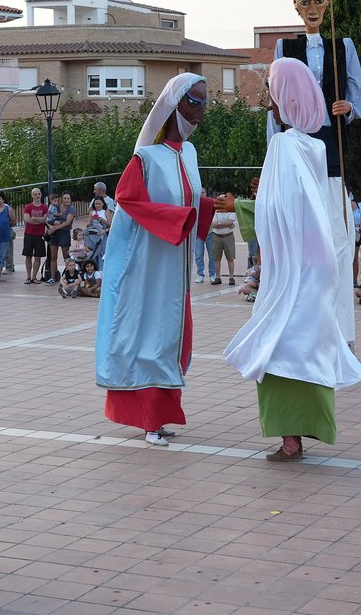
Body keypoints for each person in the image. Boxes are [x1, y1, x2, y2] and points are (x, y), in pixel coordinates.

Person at [224, 57, 361, 462]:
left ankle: (290, 439)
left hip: (294, 268)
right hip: (314, 262)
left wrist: (241, 206)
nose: (268, 99)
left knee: (278, 346)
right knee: (310, 344)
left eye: (272, 90)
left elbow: (279, 208)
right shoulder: (317, 146)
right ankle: (305, 431)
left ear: (285, 97)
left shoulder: (283, 145)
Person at [95, 73, 214, 447]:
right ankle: (147, 419)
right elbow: (128, 199)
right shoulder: (145, 157)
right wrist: (177, 219)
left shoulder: (190, 154)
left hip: (175, 266)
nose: (199, 112)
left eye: (204, 104)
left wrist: (211, 206)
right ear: (172, 105)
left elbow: (189, 200)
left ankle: (160, 416)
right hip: (147, 264)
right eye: (193, 102)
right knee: (148, 332)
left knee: (171, 336)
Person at [272, 0, 361, 348]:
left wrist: (350, 109)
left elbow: (357, 92)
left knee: (339, 238)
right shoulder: (284, 46)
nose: (313, 8)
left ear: (328, 4)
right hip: (297, 143)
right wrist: (276, 147)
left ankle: (341, 334)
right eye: (305, 1)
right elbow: (276, 100)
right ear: (296, 6)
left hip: (330, 147)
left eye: (320, 0)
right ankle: (301, 329)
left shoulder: (343, 46)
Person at [45, 191, 75, 285]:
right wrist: (50, 227)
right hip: (54, 233)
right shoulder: (56, 207)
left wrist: (55, 228)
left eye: (68, 198)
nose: (66, 200)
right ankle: (52, 277)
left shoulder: (71, 209)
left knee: (66, 257)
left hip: (64, 233)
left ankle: (69, 276)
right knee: (53, 257)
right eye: (65, 198)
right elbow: (48, 217)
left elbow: (67, 222)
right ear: (62, 199)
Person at [21, 187, 48, 283]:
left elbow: (45, 220)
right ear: (32, 195)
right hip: (29, 234)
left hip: (39, 235)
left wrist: (34, 219)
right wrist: (39, 220)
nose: (37, 196)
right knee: (28, 256)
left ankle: (34, 277)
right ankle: (28, 277)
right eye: (35, 194)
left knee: (38, 257)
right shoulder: (28, 207)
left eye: (39, 194)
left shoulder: (45, 207)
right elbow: (27, 220)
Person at [192, 188, 216, 284]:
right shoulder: (194, 203)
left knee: (212, 255)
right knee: (198, 255)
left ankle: (212, 275)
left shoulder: (211, 203)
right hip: (198, 233)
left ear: (206, 194)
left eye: (203, 193)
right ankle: (200, 274)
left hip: (210, 232)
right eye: (200, 193)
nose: (201, 195)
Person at [209, 208, 238, 285]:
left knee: (230, 258)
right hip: (216, 236)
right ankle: (217, 277)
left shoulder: (231, 211)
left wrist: (219, 224)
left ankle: (231, 278)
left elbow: (230, 222)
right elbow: (213, 224)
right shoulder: (216, 211)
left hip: (228, 236)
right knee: (216, 258)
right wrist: (227, 225)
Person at [84, 195, 113, 271]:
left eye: (99, 203)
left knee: (103, 254)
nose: (97, 205)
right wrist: (91, 220)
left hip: (103, 235)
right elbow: (88, 225)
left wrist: (102, 220)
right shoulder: (92, 212)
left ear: (103, 204)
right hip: (94, 236)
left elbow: (110, 225)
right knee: (94, 254)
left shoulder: (106, 212)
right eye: (96, 203)